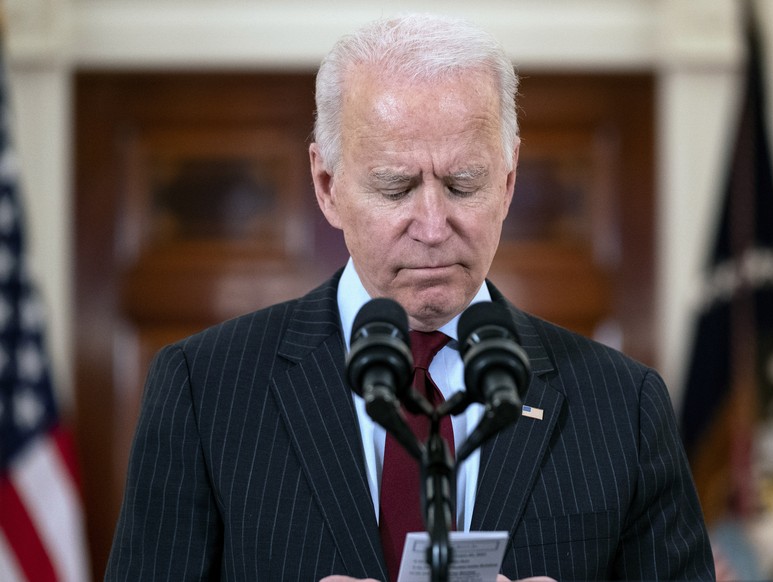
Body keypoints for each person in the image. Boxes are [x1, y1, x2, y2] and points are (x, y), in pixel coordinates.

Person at [105, 13, 715, 582]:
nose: (431, 225)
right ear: (327, 185)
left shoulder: (624, 406)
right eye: (396, 187)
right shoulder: (203, 388)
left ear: (507, 182)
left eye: (462, 184)